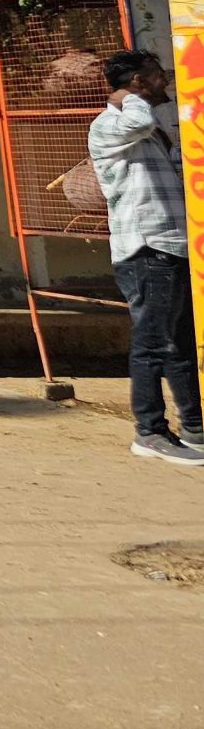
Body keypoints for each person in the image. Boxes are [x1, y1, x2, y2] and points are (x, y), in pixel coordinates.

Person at [88, 51, 204, 466]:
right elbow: (136, 120)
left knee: (180, 345)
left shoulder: (151, 132)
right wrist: (128, 95)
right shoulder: (110, 124)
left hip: (171, 246)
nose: (165, 84)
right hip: (145, 248)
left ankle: (195, 428)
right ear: (138, 81)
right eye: (158, 77)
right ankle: (150, 432)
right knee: (153, 343)